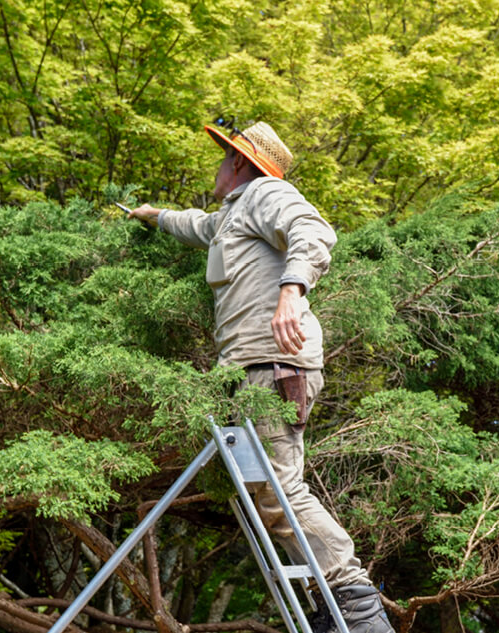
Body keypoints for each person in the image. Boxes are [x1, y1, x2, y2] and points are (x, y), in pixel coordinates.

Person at [128, 121, 395, 633]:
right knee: (263, 492)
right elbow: (196, 225)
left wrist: (291, 290)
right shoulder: (231, 216)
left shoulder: (268, 192)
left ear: (239, 163)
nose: (216, 165)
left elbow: (313, 231)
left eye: (222, 158)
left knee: (280, 489)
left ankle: (355, 605)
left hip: (273, 367)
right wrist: (152, 216)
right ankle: (332, 602)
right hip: (250, 371)